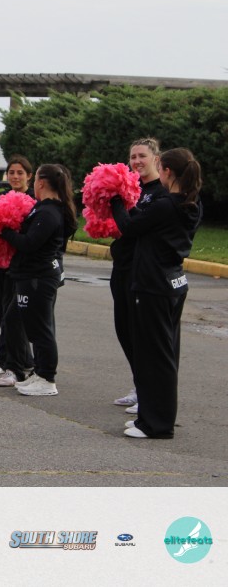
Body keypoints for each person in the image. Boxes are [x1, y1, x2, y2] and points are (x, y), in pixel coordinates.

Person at [111, 148, 202, 439]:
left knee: (154, 357)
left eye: (160, 167)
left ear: (167, 172)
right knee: (163, 354)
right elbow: (144, 223)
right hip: (172, 283)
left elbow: (129, 227)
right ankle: (149, 417)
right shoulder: (189, 203)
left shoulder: (166, 205)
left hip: (153, 285)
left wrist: (115, 201)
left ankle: (157, 424)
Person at [0, 164, 77, 395]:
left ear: (40, 182)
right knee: (15, 320)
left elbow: (30, 243)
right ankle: (36, 371)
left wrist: (5, 232)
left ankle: (47, 378)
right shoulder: (42, 208)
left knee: (41, 329)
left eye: (34, 181)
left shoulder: (49, 212)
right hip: (29, 276)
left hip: (39, 278)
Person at [109, 138, 164, 410]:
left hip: (141, 270)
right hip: (121, 267)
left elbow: (133, 226)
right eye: (132, 157)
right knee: (124, 330)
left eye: (142, 156)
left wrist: (117, 205)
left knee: (141, 333)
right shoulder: (131, 188)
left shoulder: (161, 192)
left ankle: (149, 392)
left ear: (156, 158)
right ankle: (139, 384)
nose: (137, 161)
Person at [0, 155, 36, 381]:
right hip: (1, 263)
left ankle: (5, 360)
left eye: (20, 173)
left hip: (21, 265)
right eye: (11, 173)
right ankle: (23, 360)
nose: (15, 177)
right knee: (2, 312)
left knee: (12, 315)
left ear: (29, 176)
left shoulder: (33, 199)